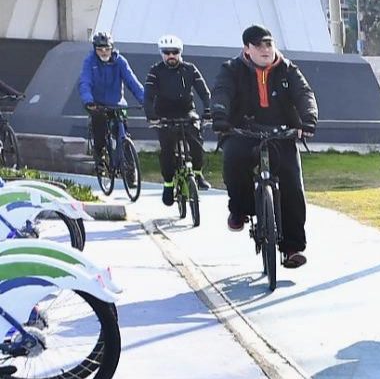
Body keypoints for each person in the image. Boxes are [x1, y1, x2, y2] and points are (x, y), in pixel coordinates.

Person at [209, 25, 317, 268]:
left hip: (281, 133)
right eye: (259, 45)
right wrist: (219, 115)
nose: (266, 49)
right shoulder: (231, 69)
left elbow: (304, 94)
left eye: (269, 44)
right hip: (242, 130)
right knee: (233, 162)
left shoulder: (288, 69)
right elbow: (221, 93)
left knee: (292, 186)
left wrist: (308, 119)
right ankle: (240, 210)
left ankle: (292, 248)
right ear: (246, 49)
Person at [142, 34, 213, 206]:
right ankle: (168, 184)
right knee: (167, 150)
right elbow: (148, 96)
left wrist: (208, 110)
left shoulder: (190, 69)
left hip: (186, 111)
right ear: (161, 53)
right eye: (167, 53)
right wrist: (152, 115)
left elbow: (204, 92)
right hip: (164, 114)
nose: (171, 56)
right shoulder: (155, 71)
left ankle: (197, 173)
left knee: (196, 142)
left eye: (174, 52)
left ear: (180, 52)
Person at [78, 31, 145, 167]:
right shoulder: (90, 61)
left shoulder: (120, 61)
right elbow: (85, 82)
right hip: (98, 105)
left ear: (112, 48)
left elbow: (132, 82)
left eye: (107, 49)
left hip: (117, 104)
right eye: (100, 49)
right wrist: (88, 100)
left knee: (123, 133)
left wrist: (145, 100)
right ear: (94, 49)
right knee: (100, 128)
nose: (104, 52)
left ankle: (129, 165)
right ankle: (99, 153)